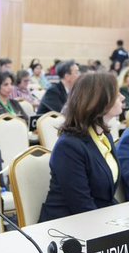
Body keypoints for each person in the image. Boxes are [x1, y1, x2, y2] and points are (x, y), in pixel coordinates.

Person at [40, 73, 123, 221]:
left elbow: (106, 197)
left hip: (96, 219)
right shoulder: (69, 146)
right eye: (117, 95)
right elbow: (81, 204)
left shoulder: (104, 136)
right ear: (100, 101)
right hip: (65, 227)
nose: (122, 98)